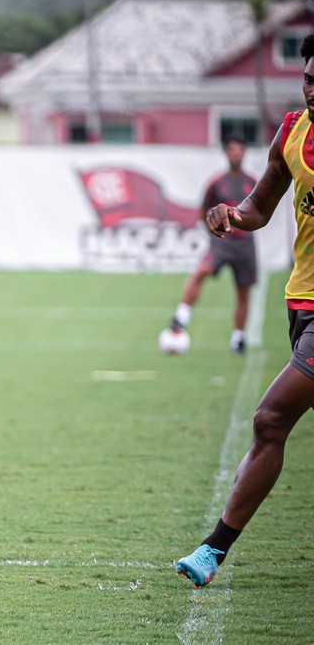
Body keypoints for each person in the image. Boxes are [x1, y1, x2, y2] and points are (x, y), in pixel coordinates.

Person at [175, 32, 314, 588]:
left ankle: (213, 550)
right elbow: (261, 205)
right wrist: (231, 215)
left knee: (270, 417)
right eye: (307, 77)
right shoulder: (292, 131)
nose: (312, 88)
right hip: (302, 299)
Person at [165, 135, 257, 354]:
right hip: (222, 243)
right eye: (233, 149)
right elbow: (203, 210)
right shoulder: (217, 183)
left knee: (243, 292)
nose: (237, 153)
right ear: (226, 153)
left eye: (241, 149)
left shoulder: (252, 183)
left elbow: (261, 210)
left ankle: (238, 338)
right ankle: (181, 316)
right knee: (201, 271)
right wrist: (212, 231)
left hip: (245, 245)